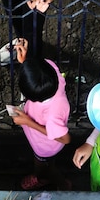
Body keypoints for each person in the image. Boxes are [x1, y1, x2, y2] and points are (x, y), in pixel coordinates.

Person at [11, 38, 71, 190]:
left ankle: (55, 182)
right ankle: (45, 176)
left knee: (44, 165)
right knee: (45, 163)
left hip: (45, 146)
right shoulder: (51, 70)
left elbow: (65, 139)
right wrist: (26, 63)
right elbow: (39, 69)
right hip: (42, 139)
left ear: (35, 98)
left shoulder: (52, 114)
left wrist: (27, 122)